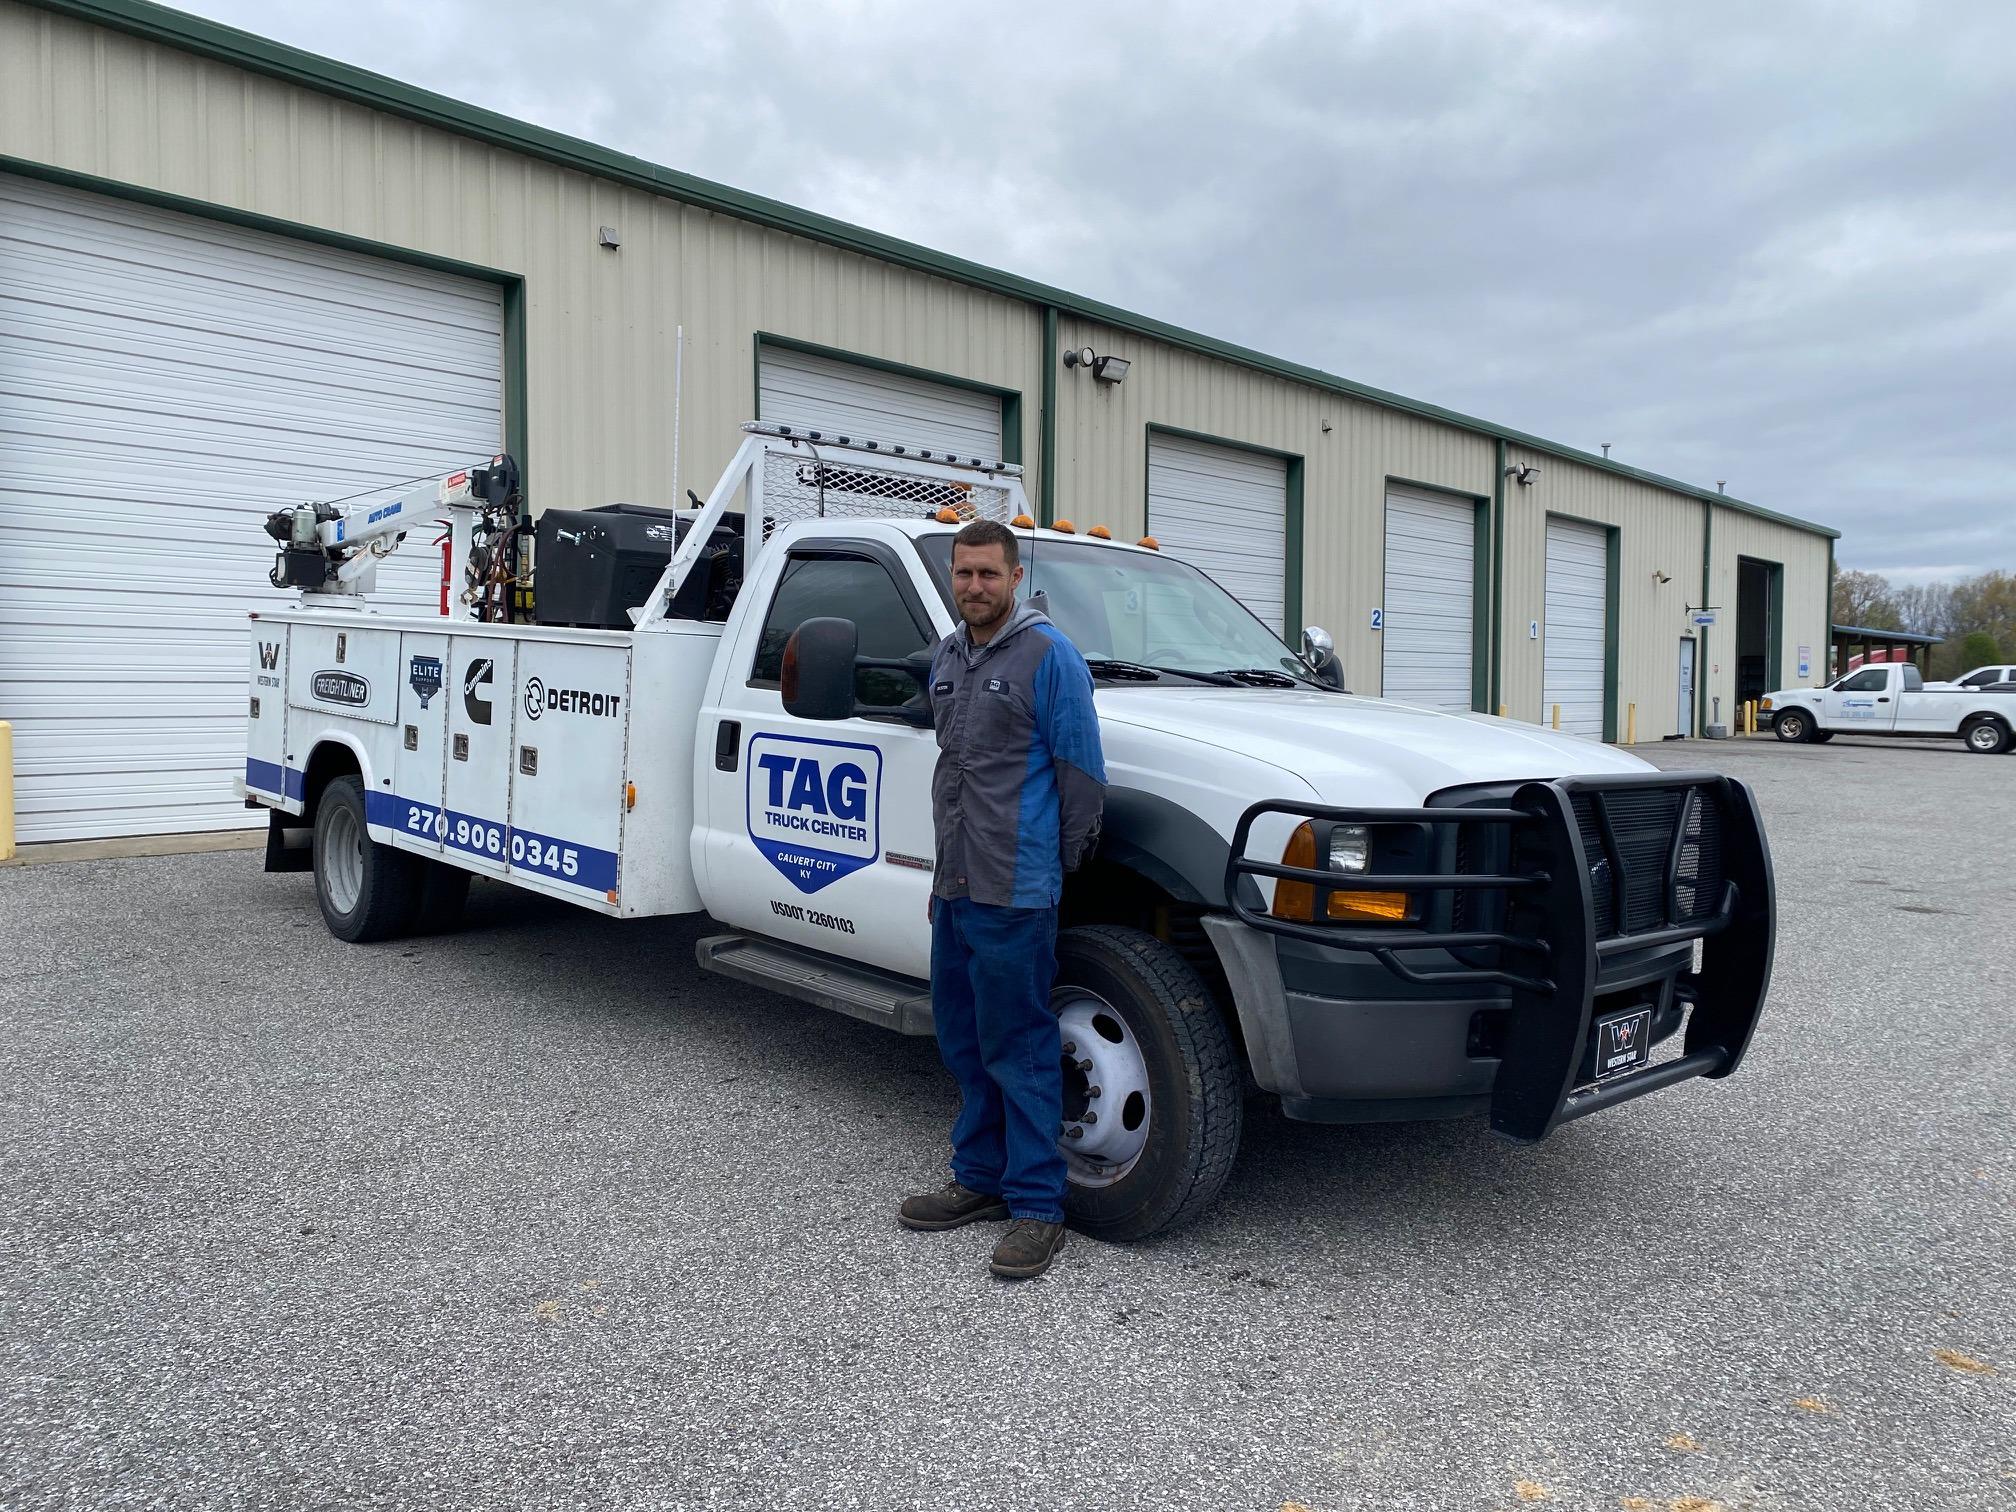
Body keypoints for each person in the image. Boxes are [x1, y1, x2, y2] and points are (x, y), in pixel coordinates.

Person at [897, 518, 1106, 1279]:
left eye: (989, 574)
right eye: (964, 574)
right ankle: (979, 1179)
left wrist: (1054, 869)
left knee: (1018, 1045)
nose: (975, 587)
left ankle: (1037, 1208)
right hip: (956, 885)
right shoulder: (948, 657)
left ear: (1015, 577)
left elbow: (1080, 770)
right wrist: (939, 880)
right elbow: (953, 773)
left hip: (1015, 889)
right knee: (962, 1038)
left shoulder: (1050, 656)